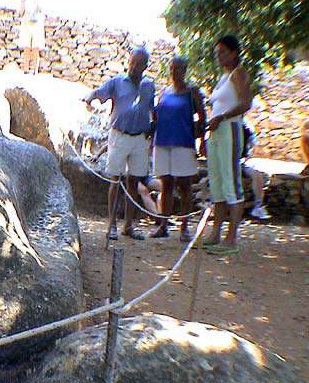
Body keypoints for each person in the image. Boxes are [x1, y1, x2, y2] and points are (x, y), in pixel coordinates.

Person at [82, 47, 155, 241]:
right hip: (119, 136)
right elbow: (97, 92)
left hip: (139, 138)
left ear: (145, 66)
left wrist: (152, 133)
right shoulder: (117, 82)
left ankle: (128, 226)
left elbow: (152, 110)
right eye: (132, 62)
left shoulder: (149, 86)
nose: (134, 66)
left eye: (139, 63)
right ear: (128, 61)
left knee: (134, 182)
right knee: (115, 180)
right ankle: (112, 225)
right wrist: (89, 99)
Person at [204, 35, 253, 254]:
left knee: (231, 181)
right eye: (217, 53)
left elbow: (245, 103)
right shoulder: (223, 77)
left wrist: (222, 117)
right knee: (217, 181)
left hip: (230, 129)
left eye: (223, 52)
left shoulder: (238, 74)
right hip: (216, 132)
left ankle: (231, 238)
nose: (219, 56)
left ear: (234, 52)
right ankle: (216, 232)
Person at [150, 56, 206, 242]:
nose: (175, 71)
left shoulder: (192, 92)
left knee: (185, 185)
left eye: (179, 68)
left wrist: (202, 140)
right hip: (163, 141)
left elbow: (202, 116)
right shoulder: (164, 92)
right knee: (166, 185)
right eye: (172, 68)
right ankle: (163, 225)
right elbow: (156, 117)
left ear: (185, 70)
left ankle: (184, 227)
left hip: (183, 142)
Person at [241, 122, 270, 219]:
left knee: (257, 175)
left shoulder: (246, 127)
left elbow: (253, 145)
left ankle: (258, 205)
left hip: (240, 161)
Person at [18, 0, 45, 75]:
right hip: (26, 24)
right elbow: (21, 12)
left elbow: (41, 9)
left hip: (37, 24)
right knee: (26, 47)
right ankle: (26, 69)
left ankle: (34, 70)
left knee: (35, 48)